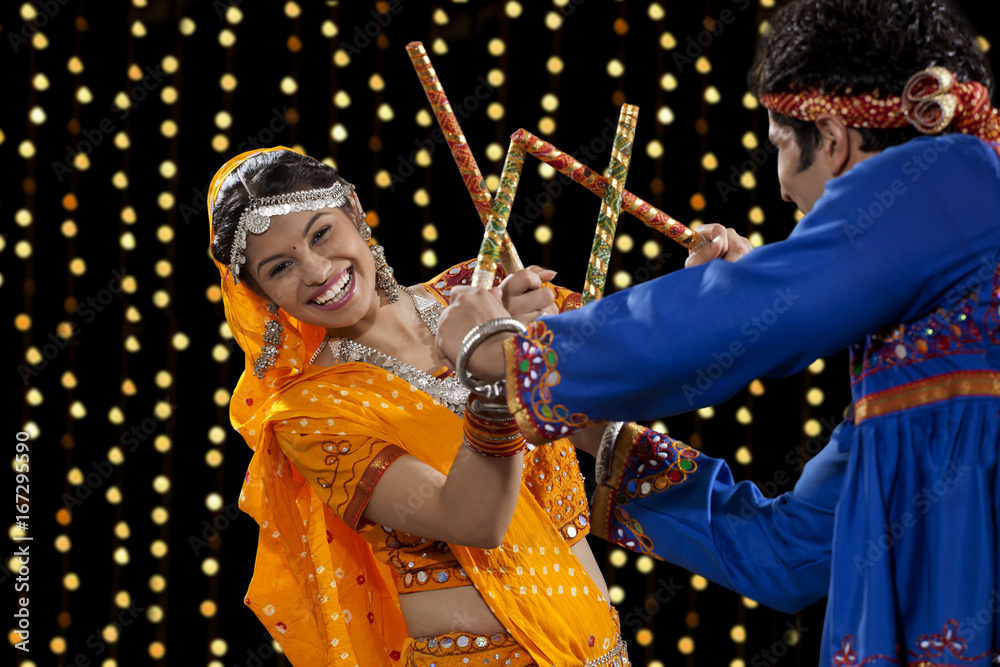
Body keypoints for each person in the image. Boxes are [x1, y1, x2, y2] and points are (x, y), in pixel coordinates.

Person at [434, 0, 1000, 664]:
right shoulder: (913, 397)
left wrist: (508, 351)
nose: (785, 190)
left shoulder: (959, 174)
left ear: (835, 136)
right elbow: (785, 555)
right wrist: (593, 428)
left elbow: (778, 310)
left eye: (783, 150)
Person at [207, 146, 634, 666]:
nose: (317, 271)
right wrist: (496, 377)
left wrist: (716, 286)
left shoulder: (478, 292)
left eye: (321, 234)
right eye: (280, 267)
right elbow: (473, 518)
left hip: (600, 648)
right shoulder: (309, 411)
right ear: (261, 295)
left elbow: (610, 420)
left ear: (355, 210)